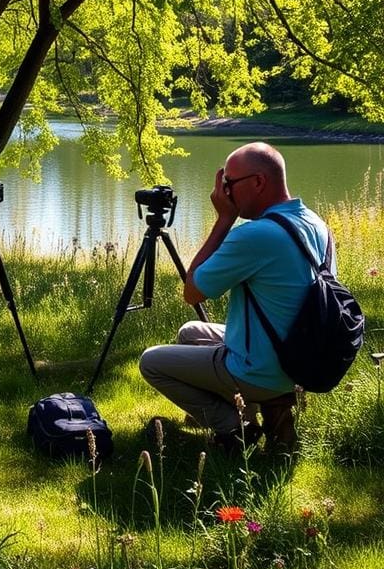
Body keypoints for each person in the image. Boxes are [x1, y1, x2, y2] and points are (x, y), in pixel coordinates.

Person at [138, 142, 328, 451]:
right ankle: (253, 408)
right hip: (299, 356)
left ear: (258, 182)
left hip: (262, 368)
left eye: (229, 184)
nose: (223, 193)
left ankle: (234, 427)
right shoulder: (314, 222)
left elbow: (193, 291)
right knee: (190, 332)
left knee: (151, 362)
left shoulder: (256, 235)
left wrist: (224, 219)